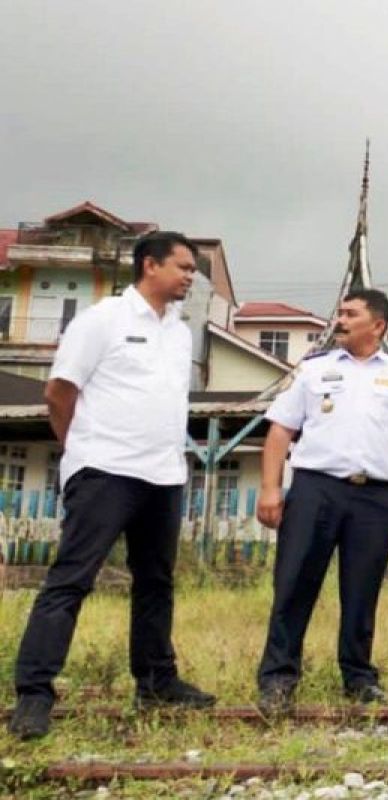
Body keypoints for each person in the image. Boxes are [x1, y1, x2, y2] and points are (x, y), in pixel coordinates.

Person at [8, 232, 214, 740]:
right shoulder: (102, 320)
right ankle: (34, 695)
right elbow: (59, 391)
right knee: (71, 580)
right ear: (150, 265)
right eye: (183, 267)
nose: (190, 276)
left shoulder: (181, 330)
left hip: (163, 475)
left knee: (156, 583)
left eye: (194, 269)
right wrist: (80, 450)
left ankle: (155, 682)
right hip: (104, 471)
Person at [254, 289, 388, 713]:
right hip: (316, 488)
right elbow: (281, 430)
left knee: (361, 590)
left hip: (376, 497)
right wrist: (270, 488)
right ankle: (278, 678)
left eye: (350, 313)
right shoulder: (312, 370)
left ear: (378, 325)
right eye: (340, 312)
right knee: (295, 583)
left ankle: (358, 677)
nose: (340, 319)